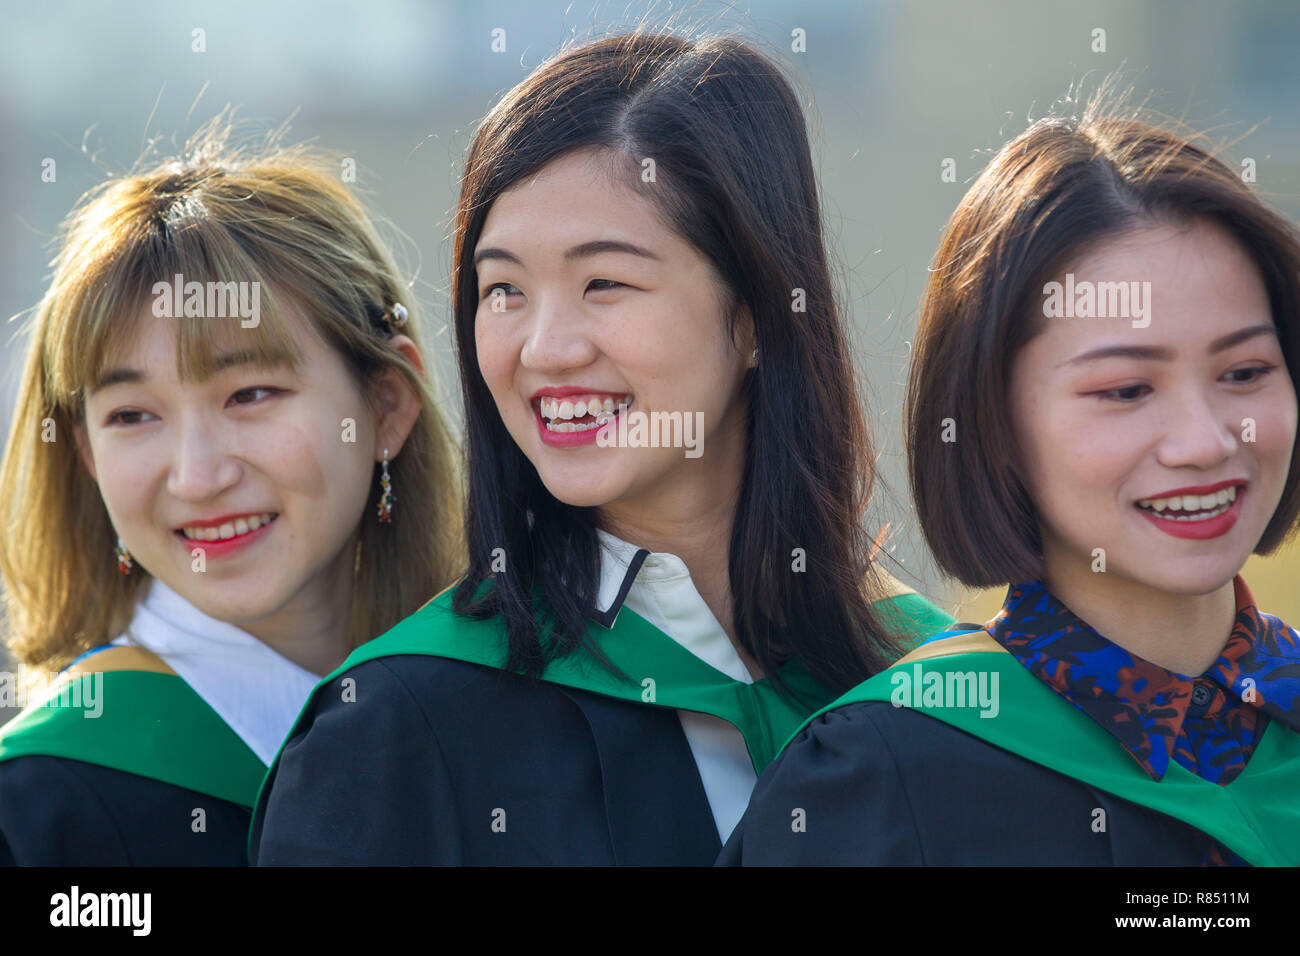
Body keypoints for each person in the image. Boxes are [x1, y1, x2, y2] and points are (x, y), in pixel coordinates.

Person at [251, 30, 953, 866]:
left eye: (605, 283)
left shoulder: (926, 688)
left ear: (761, 312)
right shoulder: (396, 730)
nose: (545, 348)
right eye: (503, 288)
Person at [720, 91, 1300, 866]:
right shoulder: (885, 781)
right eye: (1126, 390)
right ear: (992, 423)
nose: (1204, 441)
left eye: (1245, 371)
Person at [0, 118, 464, 865]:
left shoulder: (519, 728)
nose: (197, 475)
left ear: (386, 405)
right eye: (132, 415)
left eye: (250, 393)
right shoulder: (38, 812)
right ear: (85, 453)